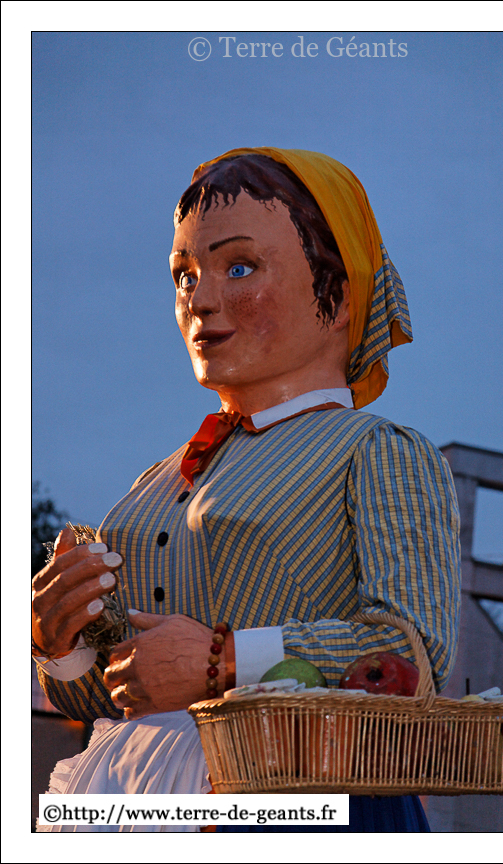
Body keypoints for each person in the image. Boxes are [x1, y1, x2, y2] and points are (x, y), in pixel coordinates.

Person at [32, 148, 461, 833]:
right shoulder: (156, 480)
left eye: (239, 267)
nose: (199, 300)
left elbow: (413, 654)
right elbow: (111, 694)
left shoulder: (377, 450)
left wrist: (222, 662)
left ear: (339, 294)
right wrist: (63, 646)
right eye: (184, 275)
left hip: (296, 793)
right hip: (127, 794)